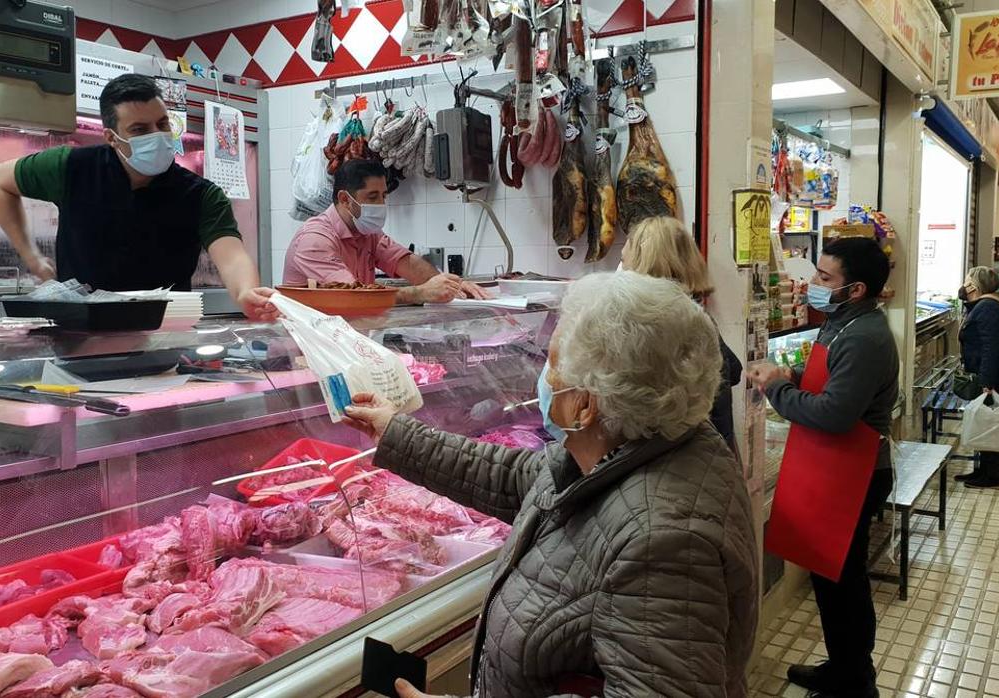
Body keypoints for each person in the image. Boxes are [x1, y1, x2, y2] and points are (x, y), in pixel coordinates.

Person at [344, 272, 758, 698]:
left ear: (586, 406)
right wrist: (395, 432)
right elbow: (516, 477)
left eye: (554, 367)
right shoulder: (648, 442)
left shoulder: (665, 541)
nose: (545, 380)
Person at [0, 74, 276, 321]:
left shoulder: (200, 195)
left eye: (162, 124)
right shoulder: (71, 168)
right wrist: (31, 256)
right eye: (140, 129)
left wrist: (245, 293)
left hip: (163, 337)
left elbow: (232, 256)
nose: (157, 135)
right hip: (77, 336)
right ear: (111, 137)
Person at [746, 237, 898, 698]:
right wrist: (795, 379)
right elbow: (832, 387)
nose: (813, 284)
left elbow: (835, 414)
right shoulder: (841, 323)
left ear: (855, 289)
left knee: (844, 581)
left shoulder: (865, 336)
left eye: (824, 278)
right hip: (834, 468)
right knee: (830, 577)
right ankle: (844, 667)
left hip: (856, 473)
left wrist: (776, 388)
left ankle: (855, 681)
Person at [283, 159, 488, 304]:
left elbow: (406, 262)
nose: (381, 204)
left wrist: (453, 285)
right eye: (372, 197)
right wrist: (420, 293)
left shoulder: (368, 233)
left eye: (383, 196)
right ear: (345, 199)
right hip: (305, 351)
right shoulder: (315, 240)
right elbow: (356, 297)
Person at [621, 216, 743, 449]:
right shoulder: (693, 314)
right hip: (715, 451)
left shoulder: (658, 326)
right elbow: (733, 370)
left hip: (687, 459)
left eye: (623, 261)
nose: (621, 270)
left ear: (644, 264)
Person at [956, 266, 999, 488]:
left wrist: (986, 381)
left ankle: (993, 475)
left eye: (966, 281)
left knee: (991, 422)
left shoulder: (988, 308)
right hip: (990, 373)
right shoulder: (987, 304)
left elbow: (991, 347)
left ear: (974, 286)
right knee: (985, 420)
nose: (963, 285)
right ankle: (982, 470)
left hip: (995, 377)